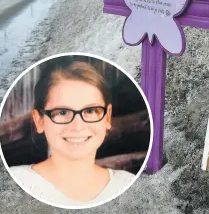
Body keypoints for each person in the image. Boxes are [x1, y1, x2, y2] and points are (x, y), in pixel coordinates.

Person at [9, 60, 136, 208]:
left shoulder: (127, 183)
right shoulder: (17, 180)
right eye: (62, 112)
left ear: (107, 117)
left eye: (90, 111)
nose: (77, 126)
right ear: (39, 121)